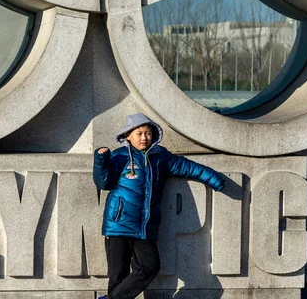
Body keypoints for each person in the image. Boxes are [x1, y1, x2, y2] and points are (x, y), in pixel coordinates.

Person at [93, 113, 225, 299]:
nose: (144, 137)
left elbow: (188, 167)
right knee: (118, 276)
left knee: (149, 266)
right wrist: (101, 160)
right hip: (118, 224)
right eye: (139, 133)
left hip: (144, 226)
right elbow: (104, 183)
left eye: (148, 133)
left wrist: (215, 179)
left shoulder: (160, 157)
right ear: (128, 135)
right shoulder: (119, 156)